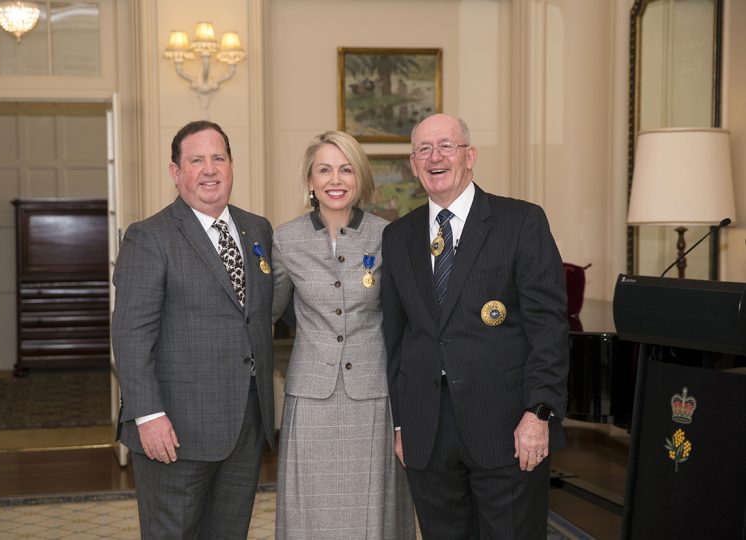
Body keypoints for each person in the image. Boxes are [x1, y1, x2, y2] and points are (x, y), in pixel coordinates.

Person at [380, 114, 569, 539]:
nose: (435, 157)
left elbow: (548, 327)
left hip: (507, 427)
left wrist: (539, 412)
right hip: (427, 430)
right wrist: (400, 424)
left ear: (470, 156)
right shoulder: (398, 236)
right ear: (413, 165)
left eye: (446, 145)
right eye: (424, 149)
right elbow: (395, 338)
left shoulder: (521, 222)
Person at [111, 120, 275, 539]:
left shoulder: (257, 229)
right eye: (196, 160)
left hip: (244, 426)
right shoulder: (149, 237)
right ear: (175, 172)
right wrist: (148, 416)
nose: (209, 169)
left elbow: (259, 314)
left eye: (218, 157)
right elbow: (131, 336)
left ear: (232, 165)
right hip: (174, 431)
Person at [271, 130, 416, 539]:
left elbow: (405, 321)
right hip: (311, 396)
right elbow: (263, 315)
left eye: (346, 169)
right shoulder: (285, 239)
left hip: (372, 395)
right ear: (310, 181)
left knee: (373, 513)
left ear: (360, 178)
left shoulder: (390, 236)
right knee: (309, 514)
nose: (336, 180)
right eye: (325, 170)